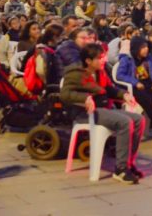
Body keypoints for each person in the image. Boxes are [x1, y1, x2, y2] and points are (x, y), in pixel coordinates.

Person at [60, 44, 144, 184]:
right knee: (124, 122)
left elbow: (110, 89)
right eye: (100, 58)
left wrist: (124, 95)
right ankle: (120, 169)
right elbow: (65, 94)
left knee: (139, 120)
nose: (104, 60)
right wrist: (84, 98)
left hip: (104, 109)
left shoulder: (100, 71)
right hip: (87, 113)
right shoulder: (76, 73)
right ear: (88, 61)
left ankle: (128, 163)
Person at [116, 36, 152, 147]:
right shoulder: (126, 59)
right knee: (148, 101)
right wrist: (135, 82)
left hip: (149, 85)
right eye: (143, 47)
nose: (146, 49)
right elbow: (120, 75)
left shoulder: (149, 58)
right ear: (136, 48)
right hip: (135, 88)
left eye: (147, 46)